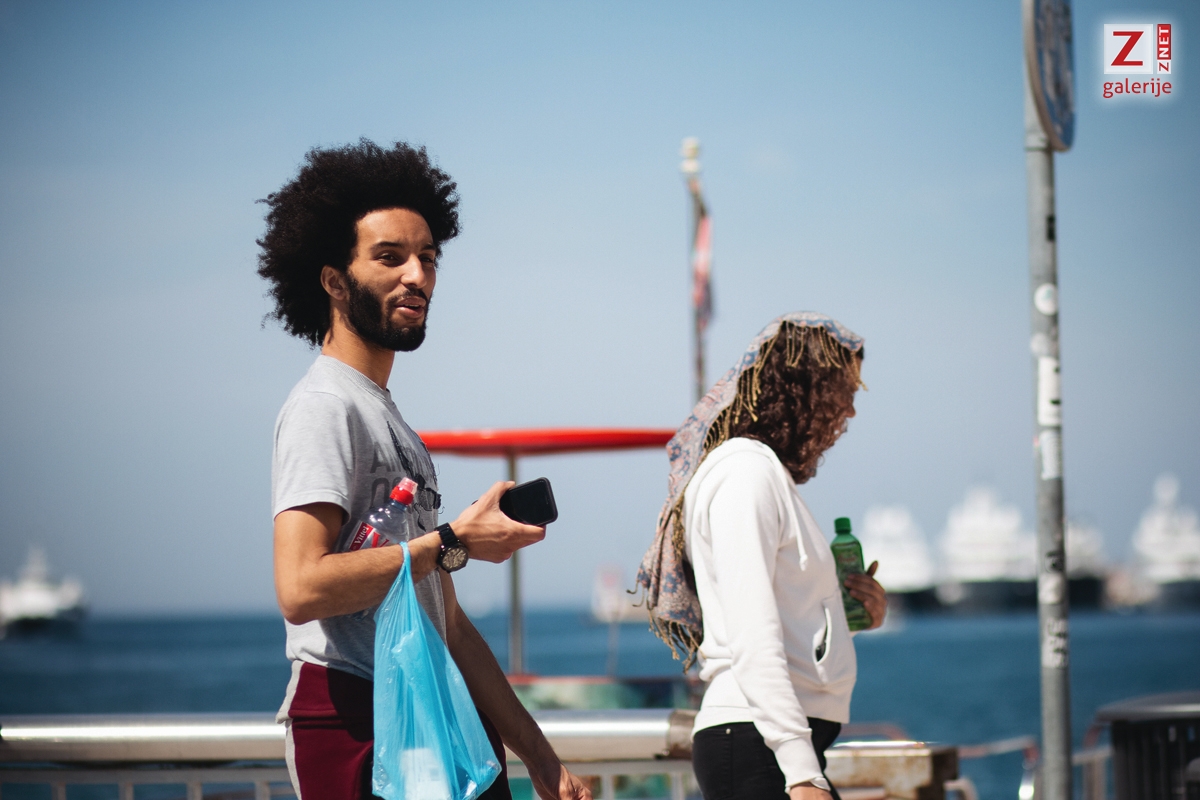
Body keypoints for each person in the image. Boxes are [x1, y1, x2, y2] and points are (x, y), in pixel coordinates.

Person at [258, 140, 591, 800]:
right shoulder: (324, 406)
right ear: (334, 281)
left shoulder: (393, 423)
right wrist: (454, 541)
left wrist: (541, 759)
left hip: (427, 710)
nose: (418, 275)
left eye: (428, 258)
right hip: (356, 717)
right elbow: (300, 587)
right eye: (390, 257)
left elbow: (450, 622)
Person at [637, 313, 887, 800]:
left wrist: (847, 617)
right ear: (804, 390)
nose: (851, 410)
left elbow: (779, 617)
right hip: (759, 747)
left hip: (765, 744)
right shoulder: (745, 474)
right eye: (843, 391)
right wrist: (802, 773)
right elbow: (752, 633)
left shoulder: (757, 473)